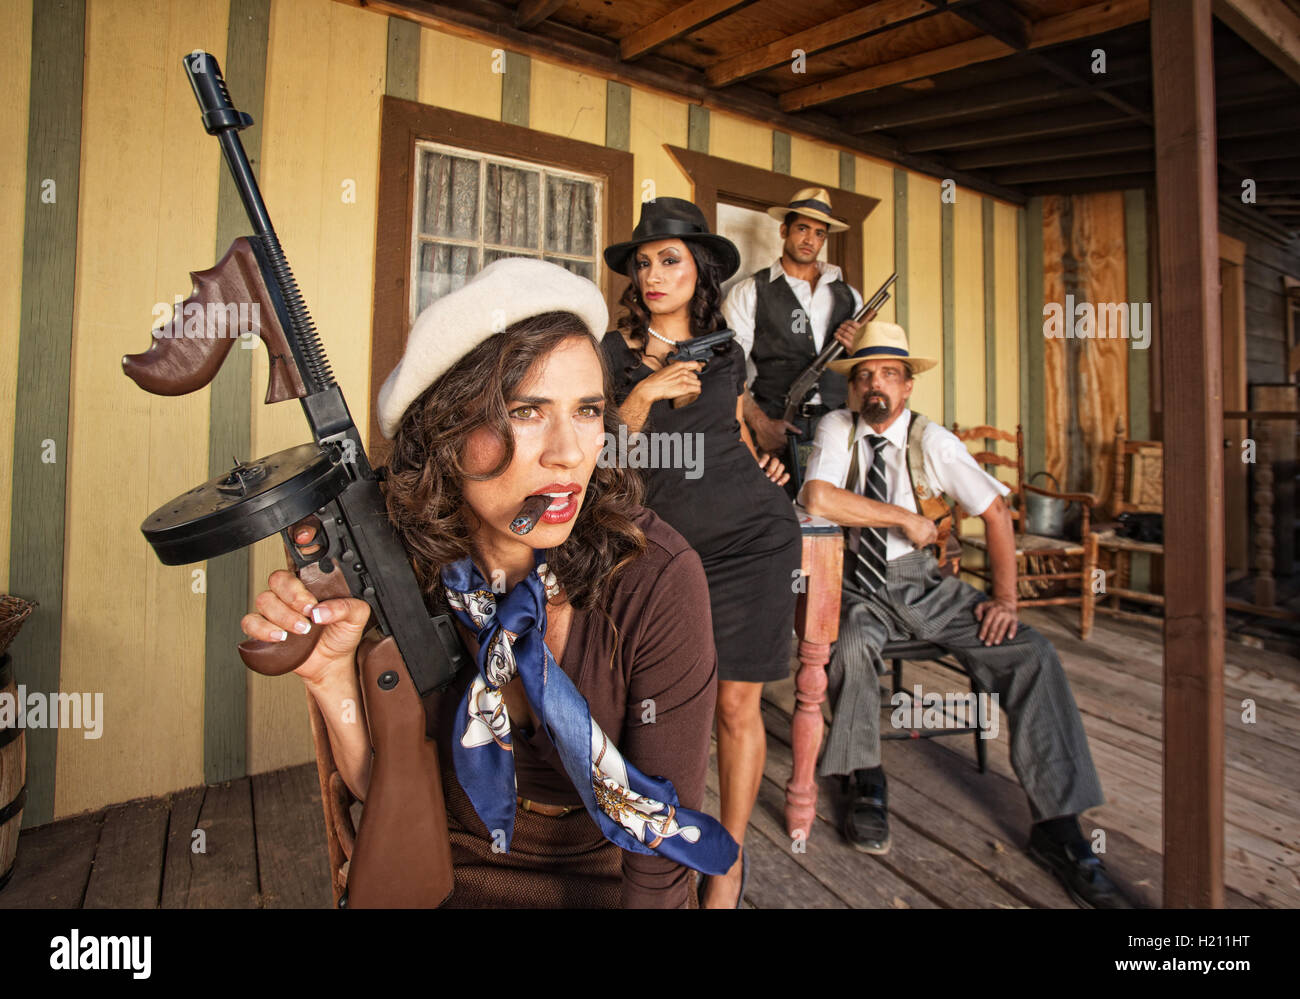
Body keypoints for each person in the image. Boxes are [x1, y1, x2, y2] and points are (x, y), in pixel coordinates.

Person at [242, 258, 737, 908]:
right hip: (448, 876)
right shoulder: (401, 568)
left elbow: (659, 860)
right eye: (526, 411)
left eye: (587, 410)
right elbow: (382, 785)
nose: (567, 451)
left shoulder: (655, 579)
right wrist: (332, 678)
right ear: (447, 433)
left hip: (606, 881)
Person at [798, 320, 1133, 909]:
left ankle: (1059, 829)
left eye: (889, 376)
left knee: (1032, 651)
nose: (875, 385)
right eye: (865, 375)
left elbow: (997, 512)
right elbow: (818, 499)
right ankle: (865, 781)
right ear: (854, 387)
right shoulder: (835, 426)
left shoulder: (933, 441)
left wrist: (1005, 601)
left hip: (926, 586)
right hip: (855, 583)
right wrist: (901, 518)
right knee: (849, 642)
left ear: (907, 388)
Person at [601, 198, 802, 908]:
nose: (655, 274)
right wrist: (647, 390)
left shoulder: (726, 352)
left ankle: (728, 862)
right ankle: (650, 850)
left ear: (700, 270)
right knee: (652, 706)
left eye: (670, 260)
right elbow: (603, 452)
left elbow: (720, 442)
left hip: (753, 537)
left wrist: (766, 466)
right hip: (661, 552)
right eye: (645, 263)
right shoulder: (610, 354)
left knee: (737, 706)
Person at [722, 187, 865, 478]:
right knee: (776, 510)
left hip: (838, 425)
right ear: (784, 230)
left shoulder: (849, 296)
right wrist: (760, 425)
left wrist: (857, 349)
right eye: (802, 228)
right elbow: (727, 369)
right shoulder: (750, 292)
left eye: (819, 233)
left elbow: (865, 369)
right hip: (775, 424)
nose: (810, 239)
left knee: (835, 509)